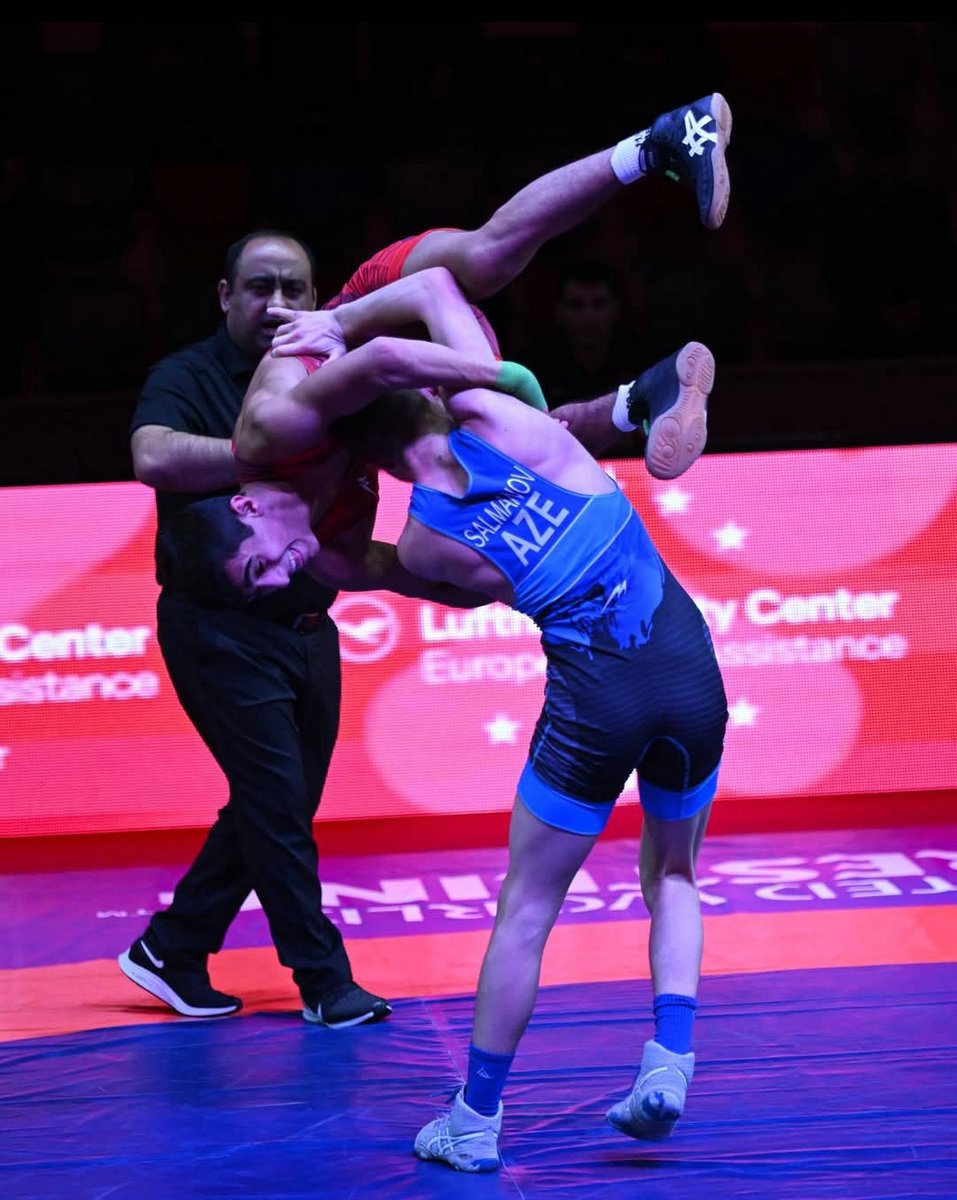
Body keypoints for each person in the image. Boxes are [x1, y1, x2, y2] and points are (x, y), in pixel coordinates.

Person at [120, 90, 729, 1026]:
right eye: (260, 291)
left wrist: (392, 343)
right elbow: (416, 569)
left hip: (380, 333)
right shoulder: (328, 540)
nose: (278, 305)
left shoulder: (281, 404)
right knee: (505, 457)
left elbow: (404, 338)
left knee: (480, 266)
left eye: (290, 289)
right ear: (223, 297)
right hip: (410, 453)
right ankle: (627, 401)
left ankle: (653, 149)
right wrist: (469, 560)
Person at [159, 265, 727, 1172]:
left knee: (527, 910)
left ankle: (474, 1120)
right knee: (673, 873)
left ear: (374, 462)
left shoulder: (426, 542)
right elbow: (433, 290)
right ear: (430, 393)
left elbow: (368, 568)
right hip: (689, 668)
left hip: (595, 701)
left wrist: (310, 499)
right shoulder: (508, 416)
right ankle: (670, 1057)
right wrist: (341, 325)